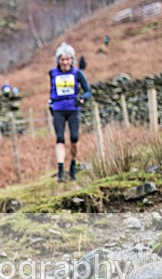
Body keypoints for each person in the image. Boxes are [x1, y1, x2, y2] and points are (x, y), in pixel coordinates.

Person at [48, 42, 91, 182]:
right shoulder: (52, 73)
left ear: (72, 60)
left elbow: (88, 91)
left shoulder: (77, 73)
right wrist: (51, 101)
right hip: (58, 109)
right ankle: (60, 169)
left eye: (67, 59)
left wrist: (82, 99)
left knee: (74, 138)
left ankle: (73, 164)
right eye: (62, 59)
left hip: (73, 108)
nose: (65, 62)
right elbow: (52, 89)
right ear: (58, 61)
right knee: (59, 138)